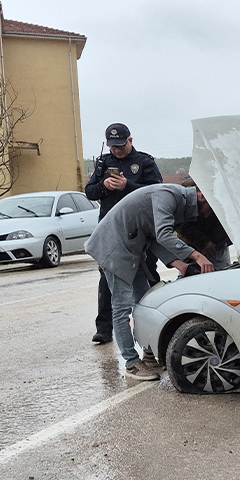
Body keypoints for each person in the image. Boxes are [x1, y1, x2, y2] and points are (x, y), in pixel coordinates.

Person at [85, 184, 216, 380]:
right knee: (121, 307)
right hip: (113, 246)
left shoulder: (179, 204)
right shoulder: (169, 196)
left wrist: (180, 264)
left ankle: (148, 354)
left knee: (145, 301)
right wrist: (197, 256)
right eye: (212, 210)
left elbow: (154, 236)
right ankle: (131, 363)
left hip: (133, 247)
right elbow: (163, 234)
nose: (209, 216)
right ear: (203, 196)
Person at [85, 123, 163, 345]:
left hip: (140, 230)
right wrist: (105, 186)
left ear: (130, 141)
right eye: (113, 147)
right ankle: (104, 329)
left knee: (147, 276)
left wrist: (127, 185)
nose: (117, 150)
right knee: (107, 279)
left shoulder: (144, 162)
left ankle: (155, 325)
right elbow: (90, 192)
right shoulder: (104, 163)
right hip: (110, 231)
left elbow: (157, 191)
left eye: (120, 146)